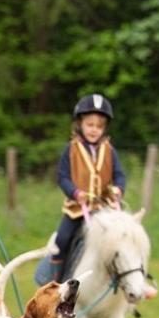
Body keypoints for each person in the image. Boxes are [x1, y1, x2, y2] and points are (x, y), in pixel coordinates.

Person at [35, 94, 127, 285]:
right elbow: (63, 177)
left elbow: (119, 174)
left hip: (105, 210)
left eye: (99, 126)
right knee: (62, 241)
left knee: (126, 237)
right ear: (80, 124)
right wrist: (76, 193)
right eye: (90, 125)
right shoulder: (71, 149)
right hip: (77, 210)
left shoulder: (109, 150)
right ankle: (55, 283)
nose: (94, 130)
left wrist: (118, 189)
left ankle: (131, 282)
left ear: (104, 128)